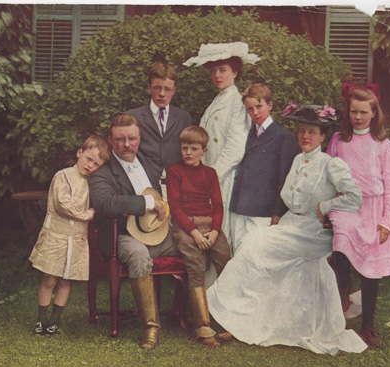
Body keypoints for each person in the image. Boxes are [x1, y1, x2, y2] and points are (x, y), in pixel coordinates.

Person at [206, 104, 367, 354]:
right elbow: (289, 197)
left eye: (312, 132)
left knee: (254, 249)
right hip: (292, 225)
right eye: (301, 131)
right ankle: (247, 320)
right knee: (252, 245)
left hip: (313, 233)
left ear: (322, 136)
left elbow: (355, 197)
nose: (305, 136)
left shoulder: (330, 164)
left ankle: (243, 318)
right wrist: (278, 218)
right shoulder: (296, 159)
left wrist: (325, 206)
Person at [88, 113, 179, 350]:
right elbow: (105, 203)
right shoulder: (102, 173)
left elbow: (164, 191)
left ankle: (193, 317)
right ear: (110, 140)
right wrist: (147, 203)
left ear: (139, 138)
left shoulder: (150, 164)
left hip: (156, 233)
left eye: (132, 138)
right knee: (139, 255)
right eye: (120, 140)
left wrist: (166, 206)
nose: (127, 145)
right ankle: (151, 327)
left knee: (190, 245)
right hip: (122, 236)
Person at [326, 84, 390, 347]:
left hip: (373, 209)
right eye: (353, 111)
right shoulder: (338, 140)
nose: (357, 117)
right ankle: (342, 299)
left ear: (373, 113)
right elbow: (327, 174)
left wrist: (386, 221)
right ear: (347, 112)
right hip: (346, 205)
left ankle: (368, 326)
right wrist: (327, 205)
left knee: (371, 271)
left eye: (363, 112)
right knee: (341, 250)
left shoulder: (382, 145)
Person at [30, 135, 110, 335]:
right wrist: (88, 214)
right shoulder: (63, 176)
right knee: (49, 279)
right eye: (88, 159)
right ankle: (41, 319)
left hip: (76, 238)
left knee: (66, 281)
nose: (90, 165)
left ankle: (54, 321)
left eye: (96, 164)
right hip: (56, 236)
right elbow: (63, 206)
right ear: (79, 153)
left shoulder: (92, 183)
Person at [183, 42, 259, 244]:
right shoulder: (216, 101)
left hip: (225, 177)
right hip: (208, 174)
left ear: (235, 72)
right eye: (214, 71)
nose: (217, 75)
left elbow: (236, 147)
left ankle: (224, 275)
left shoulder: (239, 102)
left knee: (222, 230)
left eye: (223, 70)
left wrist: (212, 177)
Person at [166, 126, 231, 347]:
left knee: (227, 264)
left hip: (209, 225)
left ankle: (232, 320)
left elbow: (218, 205)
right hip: (185, 227)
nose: (188, 153)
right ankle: (202, 326)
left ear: (204, 151)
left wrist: (214, 231)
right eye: (185, 148)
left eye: (194, 149)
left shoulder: (210, 173)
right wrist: (194, 234)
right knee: (195, 267)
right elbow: (174, 208)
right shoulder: (175, 172)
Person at [229, 83, 299, 252]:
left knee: (258, 255)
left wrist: (277, 213)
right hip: (240, 207)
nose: (255, 113)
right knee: (238, 254)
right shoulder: (246, 133)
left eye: (259, 106)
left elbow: (285, 179)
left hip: (263, 211)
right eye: (250, 109)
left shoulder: (283, 137)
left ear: (269, 105)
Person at [126, 63, 193, 198]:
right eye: (157, 88)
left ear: (174, 90)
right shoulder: (133, 117)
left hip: (176, 187)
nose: (162, 94)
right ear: (149, 88)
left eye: (167, 89)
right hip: (144, 186)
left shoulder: (183, 117)